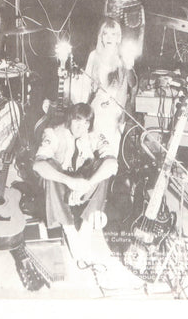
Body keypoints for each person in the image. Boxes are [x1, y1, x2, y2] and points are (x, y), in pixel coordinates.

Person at [33, 103, 118, 263]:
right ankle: (69, 230)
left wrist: (88, 183)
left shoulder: (94, 135)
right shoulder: (53, 133)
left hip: (83, 185)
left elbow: (113, 164)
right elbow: (38, 165)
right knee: (50, 165)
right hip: (60, 185)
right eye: (77, 121)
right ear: (69, 119)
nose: (81, 127)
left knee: (103, 166)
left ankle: (86, 228)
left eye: (86, 122)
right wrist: (69, 181)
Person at [83, 18, 135, 156]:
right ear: (101, 37)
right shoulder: (94, 55)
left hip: (117, 104)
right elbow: (86, 84)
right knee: (93, 136)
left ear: (118, 37)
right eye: (105, 34)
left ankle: (108, 163)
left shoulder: (123, 57)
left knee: (110, 143)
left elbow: (132, 84)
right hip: (98, 102)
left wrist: (129, 67)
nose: (109, 38)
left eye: (113, 34)